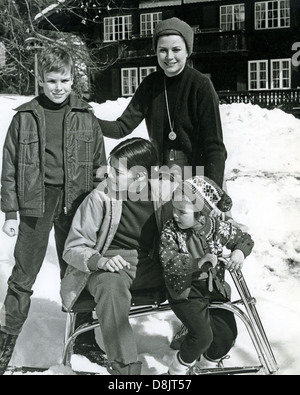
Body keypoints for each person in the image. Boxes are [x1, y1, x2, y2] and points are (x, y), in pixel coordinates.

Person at [0, 47, 106, 375]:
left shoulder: (87, 117)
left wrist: (101, 203)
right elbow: (10, 167)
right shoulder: (25, 117)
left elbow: (100, 164)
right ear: (41, 80)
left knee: (76, 271)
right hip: (36, 203)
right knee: (23, 274)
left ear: (73, 79)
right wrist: (11, 213)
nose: (58, 87)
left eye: (64, 80)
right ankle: (6, 341)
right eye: (51, 80)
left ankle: (85, 337)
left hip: (76, 202)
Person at [61, 138, 176, 375]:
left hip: (153, 264)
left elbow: (204, 216)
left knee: (199, 271)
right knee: (111, 286)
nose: (108, 175)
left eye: (116, 171)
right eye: (109, 168)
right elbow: (72, 248)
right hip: (110, 265)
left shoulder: (168, 193)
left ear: (140, 177)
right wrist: (99, 261)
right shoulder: (99, 197)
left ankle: (206, 345)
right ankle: (125, 371)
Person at [97, 17, 226, 187]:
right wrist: (89, 119)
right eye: (163, 50)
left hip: (200, 171)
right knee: (167, 213)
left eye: (176, 49)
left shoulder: (200, 85)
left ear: (187, 51)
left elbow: (214, 145)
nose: (169, 56)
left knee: (194, 213)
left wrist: (212, 189)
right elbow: (122, 127)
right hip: (164, 171)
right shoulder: (151, 84)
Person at [159, 176, 254, 375]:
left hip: (213, 289)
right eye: (174, 208)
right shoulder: (171, 231)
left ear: (201, 214)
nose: (175, 215)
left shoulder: (217, 227)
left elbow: (243, 237)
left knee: (227, 334)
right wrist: (197, 262)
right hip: (186, 292)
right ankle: (175, 371)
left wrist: (239, 251)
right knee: (202, 336)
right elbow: (168, 260)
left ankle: (208, 366)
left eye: (181, 211)